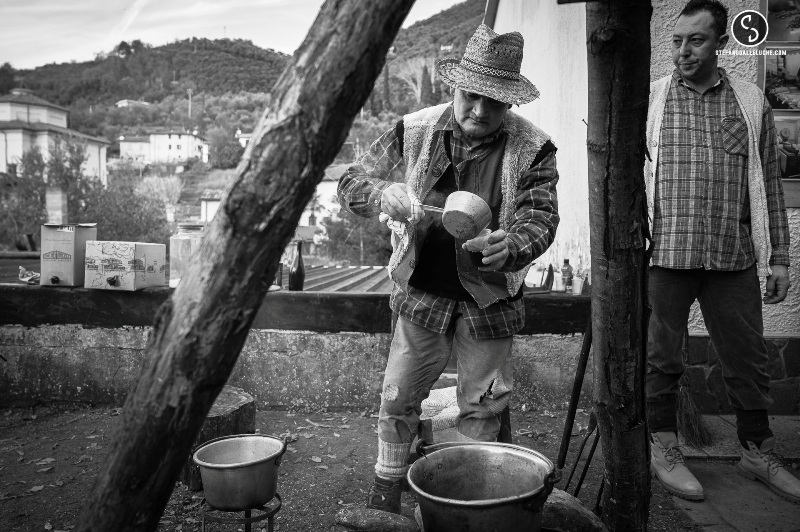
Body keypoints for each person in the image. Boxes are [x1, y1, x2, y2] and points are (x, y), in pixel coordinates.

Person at [337, 24, 559, 513]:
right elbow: (352, 179)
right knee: (397, 398)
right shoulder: (414, 128)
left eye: (495, 102)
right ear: (454, 87)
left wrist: (514, 245)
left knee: (483, 410)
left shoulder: (534, 147)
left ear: (511, 103)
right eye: (471, 95)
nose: (480, 110)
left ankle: (467, 502)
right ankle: (387, 492)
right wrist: (380, 193)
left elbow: (541, 216)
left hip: (491, 301)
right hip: (421, 294)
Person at [645, 0, 797, 504]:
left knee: (748, 360)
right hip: (665, 255)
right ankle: (664, 447)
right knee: (661, 357)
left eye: (697, 40)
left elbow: (769, 185)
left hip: (732, 257)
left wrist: (779, 256)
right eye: (676, 40)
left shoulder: (751, 101)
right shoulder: (654, 100)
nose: (683, 51)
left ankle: (757, 451)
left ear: (722, 43)